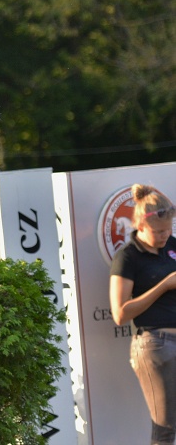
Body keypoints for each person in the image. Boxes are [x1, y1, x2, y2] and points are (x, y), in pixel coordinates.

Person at [109, 184, 176, 444]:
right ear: (140, 225)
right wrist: (164, 286)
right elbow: (120, 314)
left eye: (168, 229)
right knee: (166, 428)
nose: (164, 236)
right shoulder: (128, 257)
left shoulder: (172, 246)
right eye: (158, 231)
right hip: (156, 343)